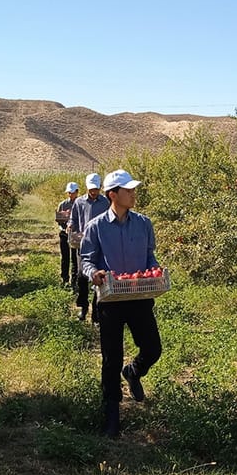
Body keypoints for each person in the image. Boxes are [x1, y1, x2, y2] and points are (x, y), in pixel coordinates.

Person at [80, 169, 163, 438]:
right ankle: (112, 415)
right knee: (110, 358)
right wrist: (94, 274)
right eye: (128, 190)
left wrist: (155, 270)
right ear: (113, 194)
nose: (133, 194)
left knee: (152, 348)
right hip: (111, 301)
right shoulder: (96, 227)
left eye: (133, 189)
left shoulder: (144, 223)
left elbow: (150, 258)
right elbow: (86, 260)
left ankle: (134, 371)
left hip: (139, 296)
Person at [68, 172, 109, 321]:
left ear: (100, 188)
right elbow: (73, 218)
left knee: (99, 277)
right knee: (82, 276)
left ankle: (97, 313)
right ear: (87, 188)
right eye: (91, 189)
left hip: (101, 245)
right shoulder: (79, 202)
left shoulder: (106, 202)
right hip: (84, 244)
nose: (93, 192)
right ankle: (83, 307)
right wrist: (70, 225)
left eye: (96, 189)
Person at [56, 181, 80, 289]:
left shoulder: (81, 204)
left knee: (75, 258)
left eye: (73, 192)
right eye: (69, 192)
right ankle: (65, 279)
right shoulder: (63, 204)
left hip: (76, 235)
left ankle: (75, 281)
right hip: (64, 234)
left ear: (77, 192)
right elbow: (59, 220)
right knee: (65, 257)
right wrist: (64, 228)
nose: (71, 194)